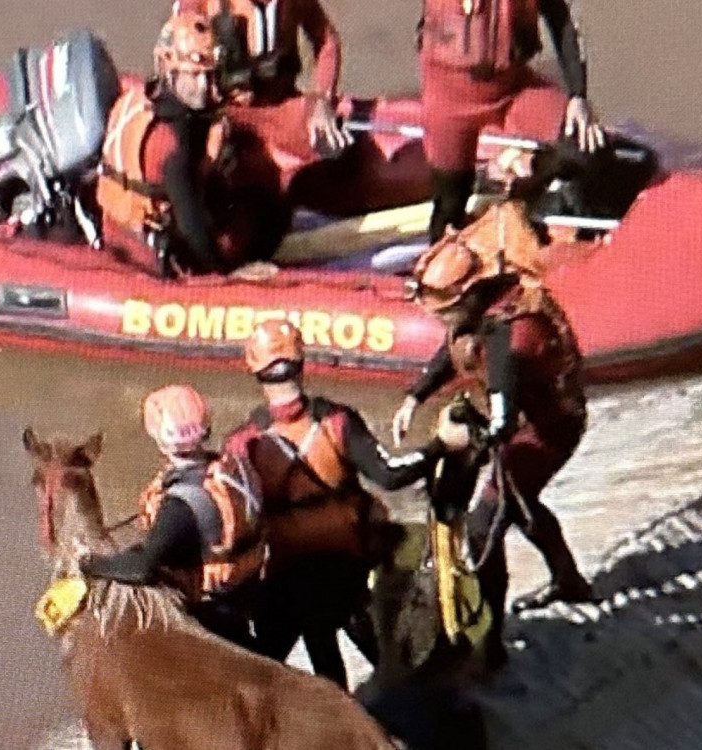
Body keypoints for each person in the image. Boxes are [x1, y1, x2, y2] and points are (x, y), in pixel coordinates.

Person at [393, 200, 592, 667]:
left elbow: (501, 424)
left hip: (548, 428)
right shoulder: (486, 309)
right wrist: (414, 397)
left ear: (467, 296)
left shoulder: (509, 341)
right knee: (523, 505)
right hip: (533, 417)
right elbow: (453, 351)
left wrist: (455, 443)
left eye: (442, 309)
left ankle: (492, 644)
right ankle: (568, 578)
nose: (437, 318)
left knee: (487, 522)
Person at [224, 319, 470, 688]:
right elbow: (389, 473)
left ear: (253, 368)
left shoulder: (242, 443)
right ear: (302, 361)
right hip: (345, 568)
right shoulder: (337, 423)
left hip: (283, 577)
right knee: (368, 648)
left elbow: (231, 519)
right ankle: (409, 701)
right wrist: (440, 445)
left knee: (275, 662)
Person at [174, 0, 433, 216]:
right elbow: (176, 64)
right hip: (227, 117)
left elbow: (325, 40)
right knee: (219, 167)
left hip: (283, 111)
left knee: (340, 151)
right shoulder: (200, 4)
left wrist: (322, 99)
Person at [96, 11, 289, 276]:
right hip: (151, 247)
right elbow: (192, 226)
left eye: (209, 76)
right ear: (170, 70)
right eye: (194, 77)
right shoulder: (174, 145)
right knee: (272, 209)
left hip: (117, 226)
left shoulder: (139, 96)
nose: (204, 87)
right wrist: (225, 272)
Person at [80, 384, 265, 649]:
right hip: (242, 600)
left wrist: (90, 565)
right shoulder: (233, 470)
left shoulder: (181, 504)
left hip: (207, 615)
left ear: (157, 437)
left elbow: (142, 568)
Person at [417, 0, 607, 242]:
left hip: (512, 88)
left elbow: (562, 23)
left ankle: (528, 185)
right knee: (449, 207)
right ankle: (447, 260)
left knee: (583, 150)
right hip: (447, 98)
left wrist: (578, 95)